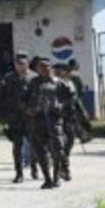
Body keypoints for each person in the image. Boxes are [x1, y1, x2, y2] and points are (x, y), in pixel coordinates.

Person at [25, 57, 67, 190]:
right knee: (39, 150)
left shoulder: (59, 83)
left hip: (54, 119)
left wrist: (61, 105)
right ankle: (47, 179)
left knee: (58, 149)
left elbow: (71, 98)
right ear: (37, 69)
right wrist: (28, 110)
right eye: (41, 67)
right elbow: (23, 100)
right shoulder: (33, 83)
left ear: (51, 68)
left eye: (46, 67)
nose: (44, 69)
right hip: (38, 120)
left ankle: (56, 177)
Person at [0, 52, 31, 183]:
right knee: (17, 145)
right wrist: (0, 115)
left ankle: (34, 167)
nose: (20, 66)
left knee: (36, 144)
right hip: (15, 117)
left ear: (27, 64)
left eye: (22, 63)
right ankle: (19, 173)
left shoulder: (34, 77)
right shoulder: (9, 78)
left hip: (30, 117)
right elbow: (1, 97)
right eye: (17, 64)